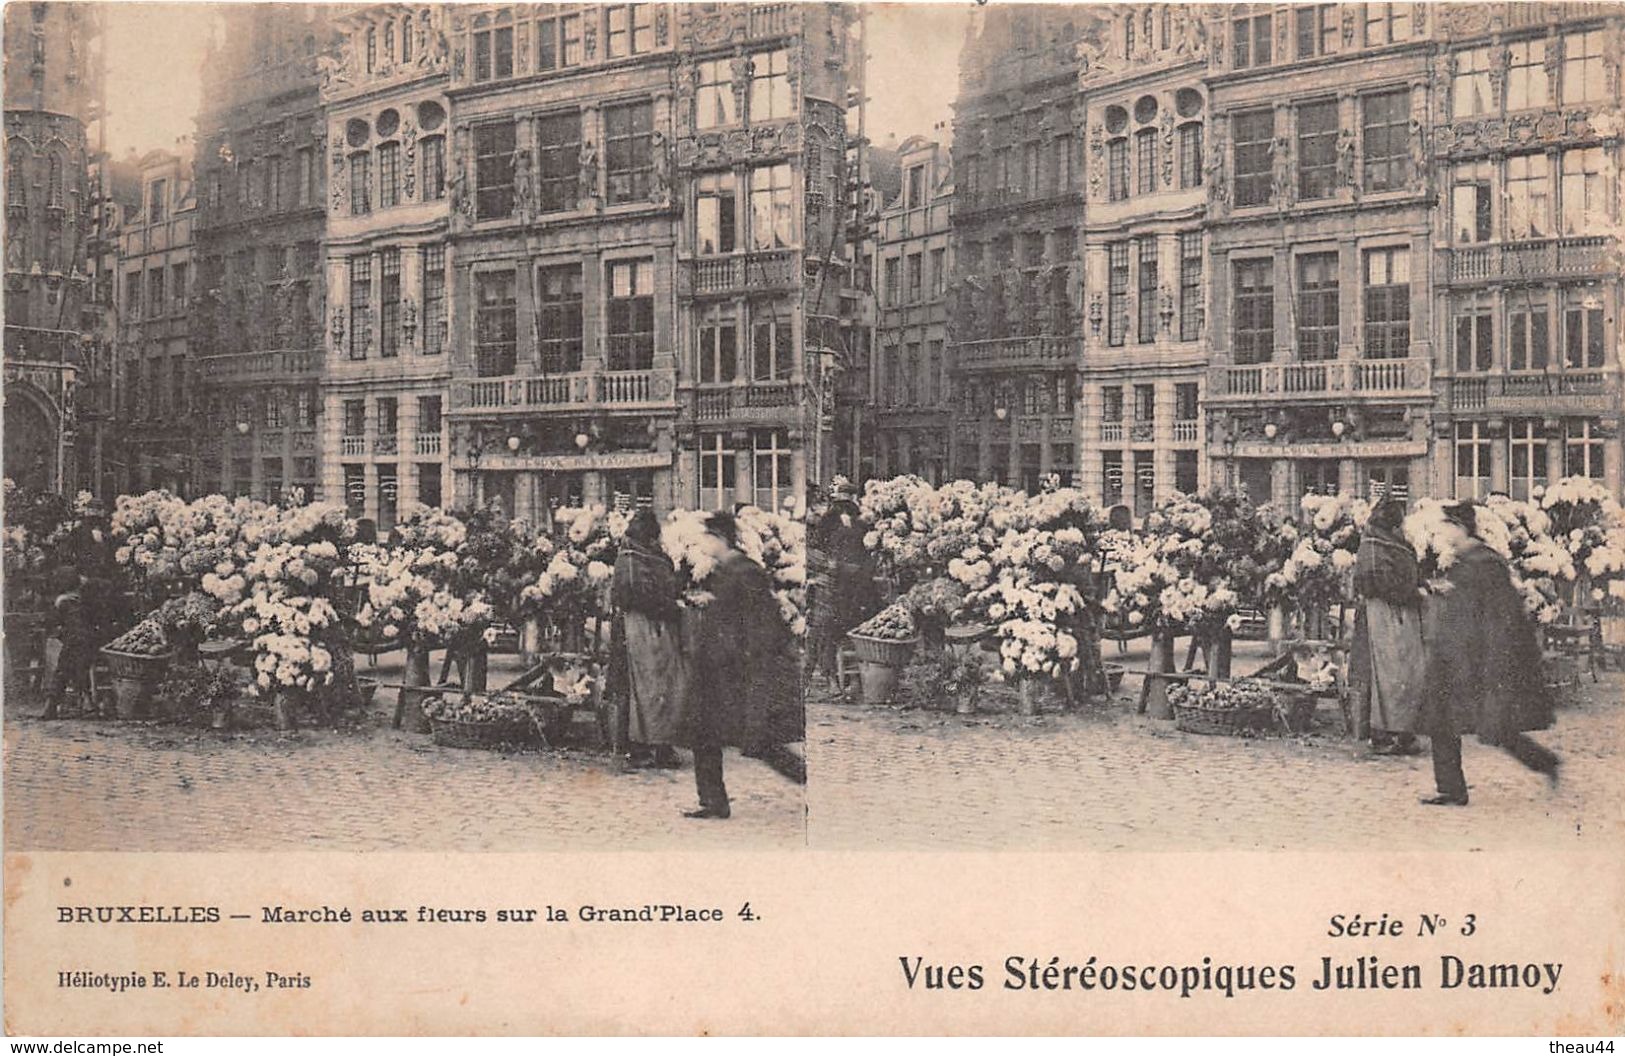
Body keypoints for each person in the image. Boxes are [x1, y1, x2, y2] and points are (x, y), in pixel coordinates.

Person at [1419, 502, 1560, 806]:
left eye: (1448, 525)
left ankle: (1545, 762)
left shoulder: (1484, 563)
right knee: (1441, 719)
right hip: (1456, 655)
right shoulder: (1466, 562)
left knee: (1496, 726)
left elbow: (1499, 616)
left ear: (1461, 528)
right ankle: (1451, 789)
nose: (1443, 532)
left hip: (1478, 658)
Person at [681, 512, 797, 819]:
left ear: (720, 538)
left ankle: (810, 780)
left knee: (760, 740)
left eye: (707, 536)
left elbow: (761, 622)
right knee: (704, 733)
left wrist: (750, 663)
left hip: (737, 671)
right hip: (717, 669)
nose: (703, 542)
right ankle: (712, 801)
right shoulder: (726, 570)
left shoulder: (745, 571)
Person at [609, 508, 685, 772]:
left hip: (660, 629)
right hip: (638, 628)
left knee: (665, 687)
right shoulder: (630, 559)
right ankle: (640, 747)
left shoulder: (652, 556)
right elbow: (634, 595)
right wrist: (669, 606)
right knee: (643, 688)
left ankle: (662, 744)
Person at [1347, 498, 1424, 756]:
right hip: (1381, 616)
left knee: (1403, 674)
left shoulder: (1390, 542)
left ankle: (1402, 731)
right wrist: (1413, 592)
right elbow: (1377, 580)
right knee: (1385, 676)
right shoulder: (1373, 545)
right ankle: (1382, 733)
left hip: (1399, 615)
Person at [805, 499, 880, 687]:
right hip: (841, 587)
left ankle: (842, 677)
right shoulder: (845, 526)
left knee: (831, 630)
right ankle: (836, 676)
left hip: (849, 588)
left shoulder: (852, 527)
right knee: (829, 630)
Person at [41, 565, 92, 720]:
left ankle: (52, 703)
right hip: (83, 641)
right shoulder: (79, 600)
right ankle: (86, 698)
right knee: (72, 659)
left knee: (66, 661)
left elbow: (54, 624)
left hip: (81, 641)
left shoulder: (65, 602)